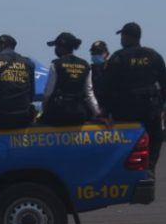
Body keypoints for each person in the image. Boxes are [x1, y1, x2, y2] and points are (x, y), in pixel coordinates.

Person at [104, 22, 166, 172]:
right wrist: (162, 107)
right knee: (154, 143)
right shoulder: (154, 56)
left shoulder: (118, 58)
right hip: (151, 112)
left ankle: (132, 175)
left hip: (126, 115)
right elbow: (164, 84)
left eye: (123, 36)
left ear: (127, 37)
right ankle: (149, 170)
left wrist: (106, 112)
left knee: (127, 149)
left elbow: (107, 88)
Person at [40, 32, 102, 126]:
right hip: (79, 115)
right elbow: (89, 94)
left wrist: (44, 111)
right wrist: (98, 114)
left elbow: (48, 93)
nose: (55, 49)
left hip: (58, 115)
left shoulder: (56, 65)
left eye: (56, 47)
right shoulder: (85, 65)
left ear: (61, 47)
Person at [89, 40, 110, 109]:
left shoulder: (112, 68)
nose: (95, 54)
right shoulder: (89, 70)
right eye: (93, 52)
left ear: (106, 53)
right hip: (93, 107)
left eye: (98, 52)